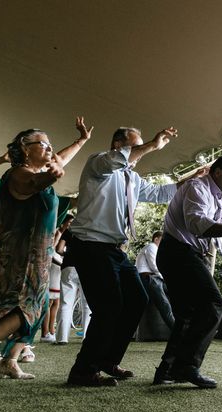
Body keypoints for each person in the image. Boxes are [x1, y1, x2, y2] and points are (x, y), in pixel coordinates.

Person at [0, 117, 92, 386]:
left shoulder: (36, 169)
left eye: (50, 145)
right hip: (20, 256)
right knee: (23, 306)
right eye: (43, 145)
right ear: (25, 148)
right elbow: (32, 185)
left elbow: (59, 160)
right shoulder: (19, 174)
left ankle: (9, 360)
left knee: (38, 303)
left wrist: (81, 141)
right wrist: (51, 174)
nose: (50, 149)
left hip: (36, 255)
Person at [65, 126, 180, 387]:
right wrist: (152, 144)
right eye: (133, 147)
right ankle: (83, 370)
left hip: (115, 250)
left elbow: (160, 194)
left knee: (137, 299)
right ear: (118, 145)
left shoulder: (132, 179)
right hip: (90, 244)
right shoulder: (98, 163)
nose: (137, 154)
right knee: (108, 307)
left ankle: (108, 360)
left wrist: (191, 181)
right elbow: (116, 160)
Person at [153, 155, 222, 388]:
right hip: (177, 252)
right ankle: (188, 365)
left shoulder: (221, 199)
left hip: (183, 254)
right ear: (217, 173)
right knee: (213, 303)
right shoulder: (197, 188)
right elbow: (197, 224)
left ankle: (166, 369)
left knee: (186, 314)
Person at [54, 214, 91, 345]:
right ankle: (86, 337)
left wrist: (68, 254)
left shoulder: (69, 231)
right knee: (87, 304)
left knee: (65, 303)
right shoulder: (90, 231)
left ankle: (62, 338)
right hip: (86, 268)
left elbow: (58, 249)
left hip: (68, 268)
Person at [135, 231, 175, 330]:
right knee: (165, 306)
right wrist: (166, 278)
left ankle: (186, 327)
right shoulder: (152, 246)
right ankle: (178, 332)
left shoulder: (156, 249)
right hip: (148, 278)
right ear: (156, 239)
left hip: (155, 278)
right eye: (162, 240)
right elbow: (155, 266)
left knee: (177, 293)